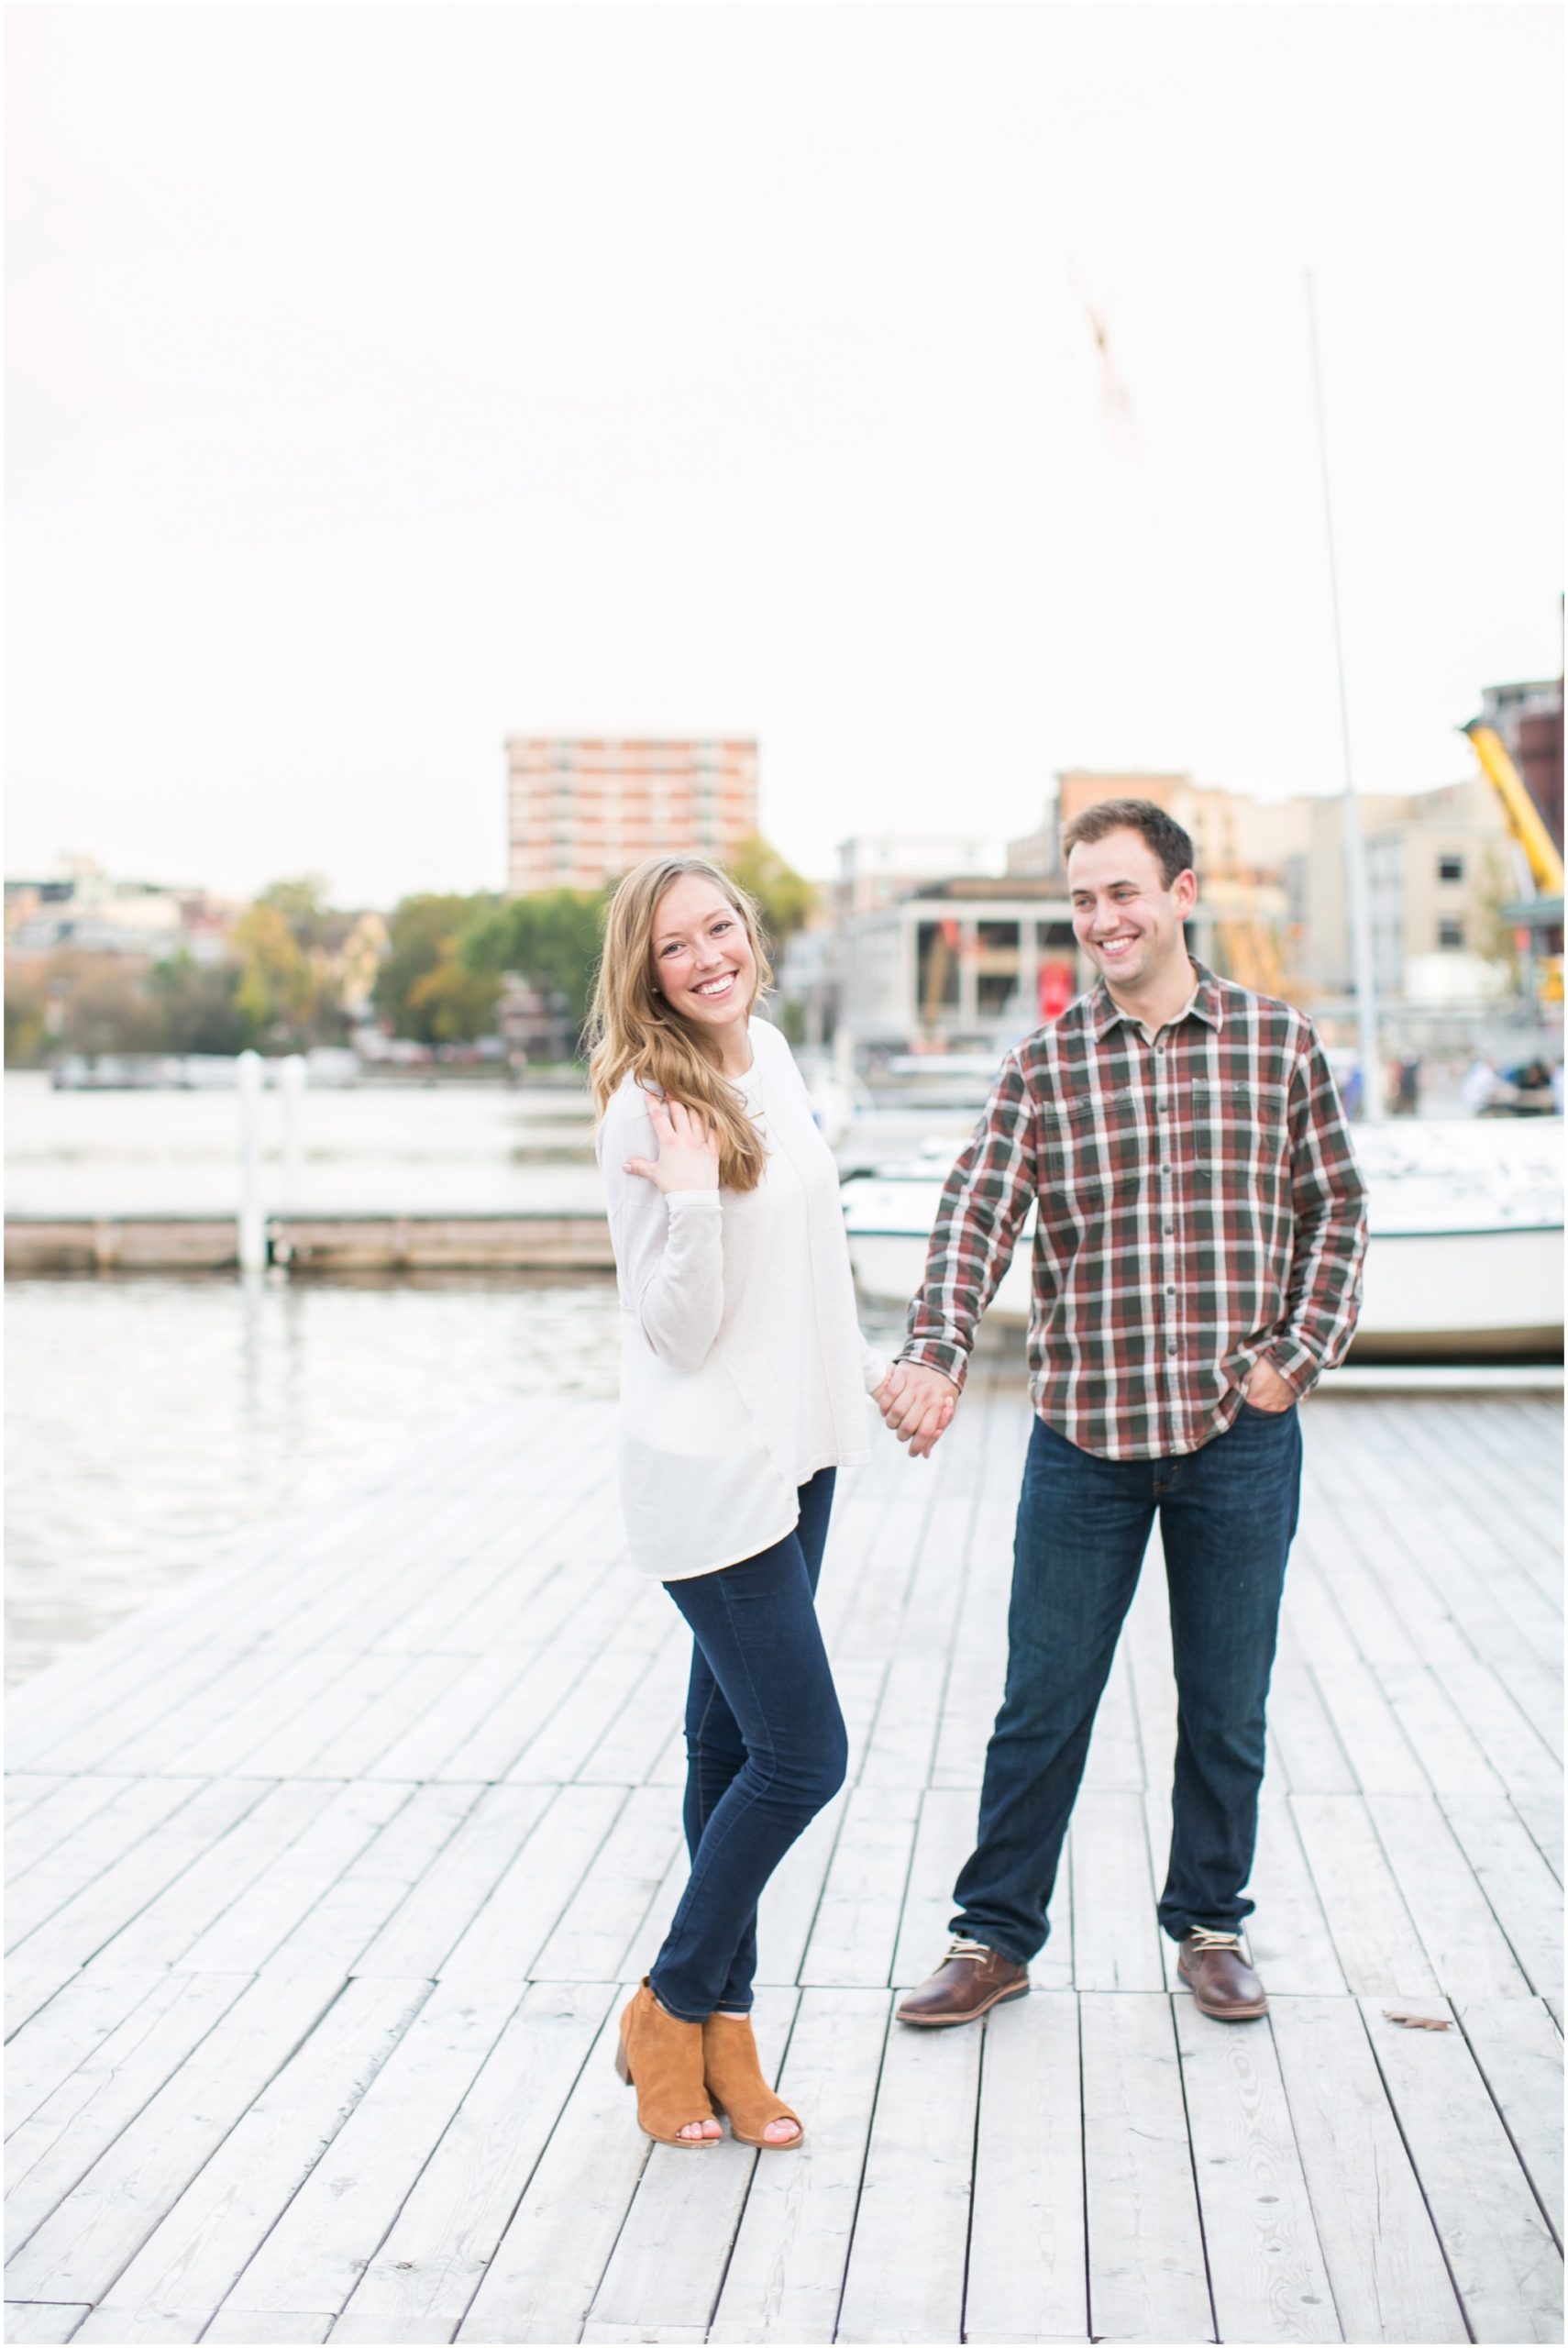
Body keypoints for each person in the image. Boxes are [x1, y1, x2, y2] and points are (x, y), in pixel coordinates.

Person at [879, 798, 1367, 2027]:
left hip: (1235, 1437)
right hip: (1083, 1439)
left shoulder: (1275, 1043)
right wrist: (935, 1350)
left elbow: (1335, 1214)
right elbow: (974, 1216)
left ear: (1181, 894)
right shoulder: (1042, 1067)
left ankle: (1210, 1924)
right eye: (1083, 898)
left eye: (1122, 892)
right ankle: (993, 1937)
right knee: (1039, 1699)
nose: (1102, 917)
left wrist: (1292, 1360)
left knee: (1225, 1700)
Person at [589, 854, 900, 2149]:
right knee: (801, 1755)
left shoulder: (766, 1051)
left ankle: (726, 2038)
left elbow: (808, 1261)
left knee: (726, 1755)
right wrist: (693, 1194)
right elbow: (673, 1326)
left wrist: (868, 1377)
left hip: (797, 1449)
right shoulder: (649, 1107)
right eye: (676, 945)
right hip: (709, 1470)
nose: (708, 954)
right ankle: (667, 2005)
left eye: (719, 927)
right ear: (645, 971)